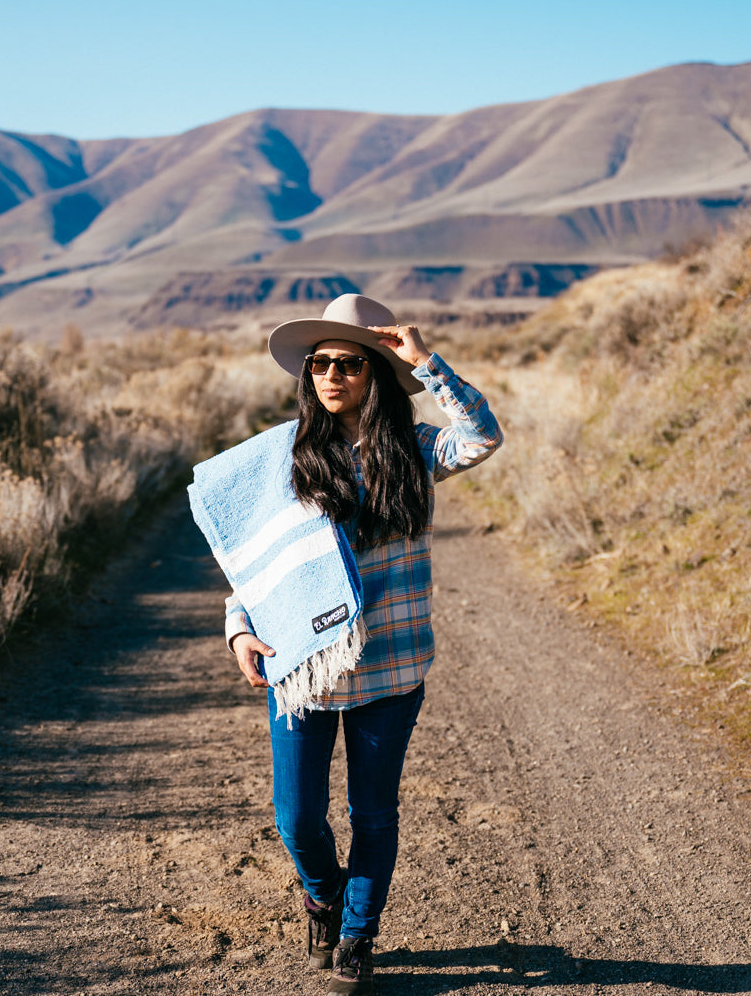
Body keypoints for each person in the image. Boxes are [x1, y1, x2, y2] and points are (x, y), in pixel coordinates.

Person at [197, 294, 503, 994]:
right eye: (320, 363)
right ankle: (323, 898)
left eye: (350, 363)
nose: (331, 375)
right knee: (297, 817)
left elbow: (481, 435)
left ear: (377, 373)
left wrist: (425, 362)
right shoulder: (282, 458)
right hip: (301, 667)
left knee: (374, 814)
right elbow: (257, 563)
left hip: (389, 669)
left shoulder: (417, 452)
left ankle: (357, 935)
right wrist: (239, 627)